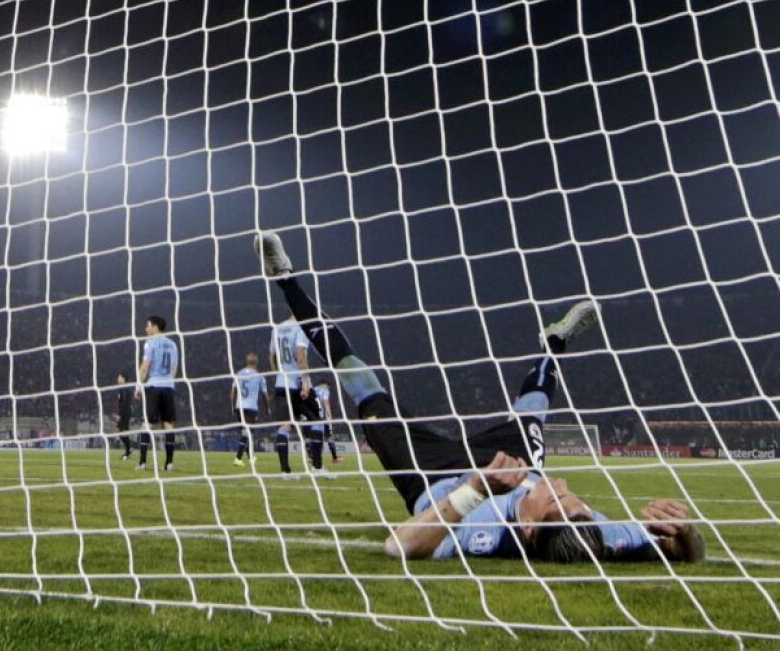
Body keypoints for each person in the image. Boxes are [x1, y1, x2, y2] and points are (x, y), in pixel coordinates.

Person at [254, 231, 705, 564]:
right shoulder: (594, 531)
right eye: (577, 500)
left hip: (434, 477)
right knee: (535, 412)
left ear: (527, 527)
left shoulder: (487, 535)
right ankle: (553, 345)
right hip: (507, 463)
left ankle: (286, 281)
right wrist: (682, 534)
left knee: (362, 385)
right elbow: (685, 553)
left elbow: (399, 545)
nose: (563, 489)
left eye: (554, 501)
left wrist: (473, 491)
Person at [270, 315, 322, 476]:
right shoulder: (301, 327)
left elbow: (272, 355)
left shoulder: (277, 328)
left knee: (285, 426)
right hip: (298, 383)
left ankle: (285, 471)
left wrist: (278, 373)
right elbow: (301, 354)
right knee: (317, 421)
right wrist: (305, 381)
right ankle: (317, 468)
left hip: (281, 383)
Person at [137, 315, 179, 472]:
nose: (146, 329)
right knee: (168, 425)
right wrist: (168, 382)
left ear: (155, 327)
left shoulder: (150, 343)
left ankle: (142, 463)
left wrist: (138, 386)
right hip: (169, 386)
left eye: (148, 326)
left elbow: (144, 367)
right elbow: (174, 369)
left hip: (154, 386)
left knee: (146, 424)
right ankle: (169, 463)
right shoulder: (173, 345)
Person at [230, 353, 269, 467]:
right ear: (256, 363)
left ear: (247, 362)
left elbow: (233, 391)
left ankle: (251, 457)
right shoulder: (259, 376)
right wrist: (268, 407)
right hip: (251, 407)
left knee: (247, 433)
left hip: (239, 406)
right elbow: (264, 394)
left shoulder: (238, 374)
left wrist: (232, 406)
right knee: (246, 433)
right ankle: (238, 458)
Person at [314, 379, 344, 464]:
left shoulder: (313, 389)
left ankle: (312, 457)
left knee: (316, 437)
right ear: (326, 385)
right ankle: (335, 458)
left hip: (313, 418)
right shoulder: (325, 390)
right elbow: (326, 402)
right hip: (324, 418)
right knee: (329, 436)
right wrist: (330, 416)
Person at [111, 371, 136, 460]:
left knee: (121, 432)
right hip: (125, 413)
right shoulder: (122, 389)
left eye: (119, 377)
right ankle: (128, 450)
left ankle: (129, 449)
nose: (118, 379)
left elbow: (125, 404)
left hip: (125, 414)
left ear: (123, 379)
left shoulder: (125, 389)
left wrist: (120, 415)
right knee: (122, 432)